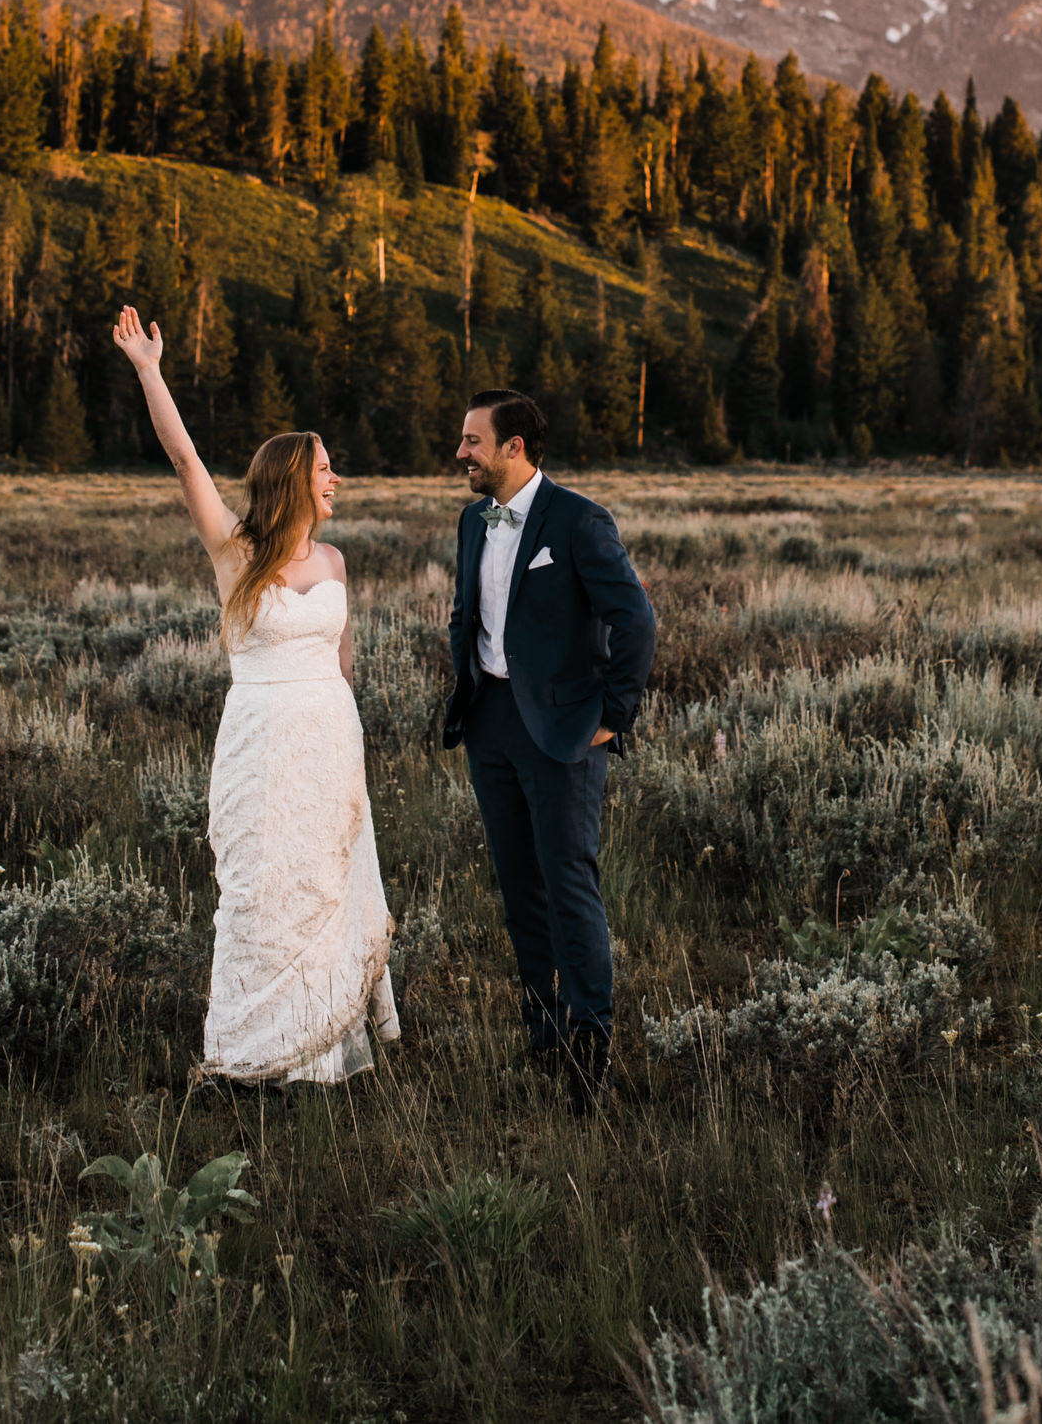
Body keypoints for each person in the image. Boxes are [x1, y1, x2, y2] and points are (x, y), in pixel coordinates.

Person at [113, 305, 399, 1084]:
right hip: (262, 742)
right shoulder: (236, 554)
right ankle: (247, 1054)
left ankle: (320, 1053)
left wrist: (353, 764)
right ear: (290, 481)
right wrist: (149, 369)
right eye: (323, 468)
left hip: (328, 742)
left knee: (321, 887)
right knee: (260, 889)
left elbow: (343, 668)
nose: (335, 478)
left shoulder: (337, 563)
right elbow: (182, 459)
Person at [444, 388, 656, 1112]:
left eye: (473, 441)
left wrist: (612, 715)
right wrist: (467, 689)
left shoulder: (577, 519)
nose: (460, 453)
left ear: (514, 448)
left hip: (564, 730)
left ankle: (589, 1049)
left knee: (568, 887)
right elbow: (464, 613)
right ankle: (542, 1035)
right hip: (491, 723)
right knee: (518, 890)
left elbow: (635, 619)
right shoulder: (473, 519)